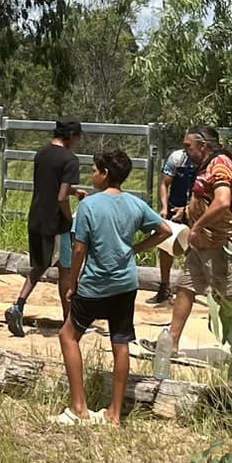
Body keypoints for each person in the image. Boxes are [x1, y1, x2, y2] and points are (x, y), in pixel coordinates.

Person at [56, 146, 168, 428]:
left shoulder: (90, 206)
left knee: (68, 335)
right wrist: (136, 249)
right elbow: (164, 231)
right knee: (120, 343)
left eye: (94, 170)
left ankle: (79, 407)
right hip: (126, 284)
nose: (92, 175)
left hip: (95, 284)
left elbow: (79, 249)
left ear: (105, 174)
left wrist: (72, 283)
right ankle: (114, 414)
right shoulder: (135, 204)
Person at [162, 126, 232, 362]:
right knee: (185, 287)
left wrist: (197, 225)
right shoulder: (207, 165)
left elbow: (222, 202)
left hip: (220, 243)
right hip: (202, 243)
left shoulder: (219, 165)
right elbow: (209, 198)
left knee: (230, 298)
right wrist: (187, 211)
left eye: (188, 146)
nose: (185, 151)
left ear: (203, 145)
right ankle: (171, 341)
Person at [5, 119, 83, 337]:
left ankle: (18, 305)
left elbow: (51, 186)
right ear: (71, 136)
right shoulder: (70, 159)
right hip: (57, 224)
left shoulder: (41, 154)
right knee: (65, 271)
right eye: (77, 138)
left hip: (37, 216)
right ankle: (69, 320)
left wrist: (73, 192)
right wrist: (69, 218)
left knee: (40, 266)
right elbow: (60, 196)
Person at [151, 126, 200, 305]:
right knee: (165, 246)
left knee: (193, 248)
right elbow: (164, 184)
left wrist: (187, 210)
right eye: (185, 145)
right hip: (173, 208)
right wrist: (164, 207)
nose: (187, 149)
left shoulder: (205, 162)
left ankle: (190, 290)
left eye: (190, 145)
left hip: (195, 210)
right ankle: (164, 288)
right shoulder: (176, 158)